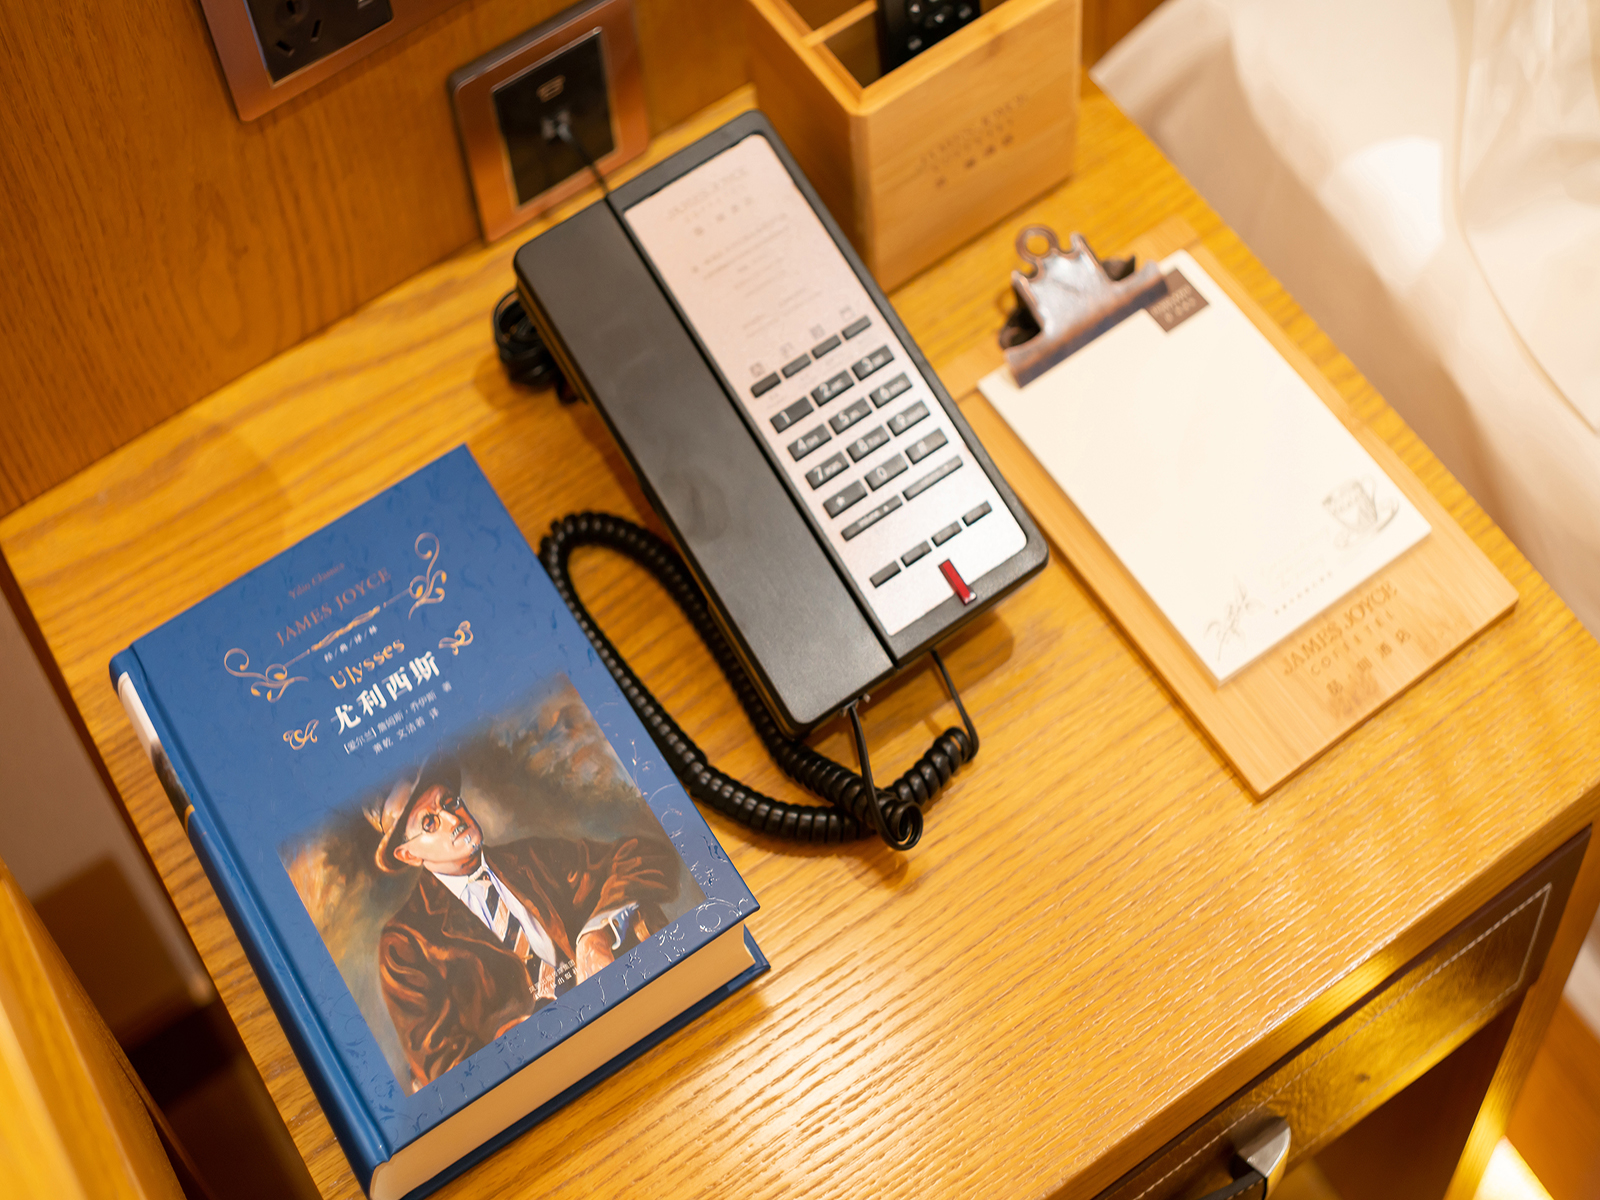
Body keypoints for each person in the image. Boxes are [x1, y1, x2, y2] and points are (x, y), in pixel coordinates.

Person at [365, 754, 675, 1091]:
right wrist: (509, 1047)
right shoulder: (404, 941)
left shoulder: (531, 858)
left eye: (450, 802)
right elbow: (440, 1066)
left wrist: (598, 932)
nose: (453, 819)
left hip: (620, 1022)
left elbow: (645, 855)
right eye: (429, 822)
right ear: (408, 854)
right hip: (539, 1081)